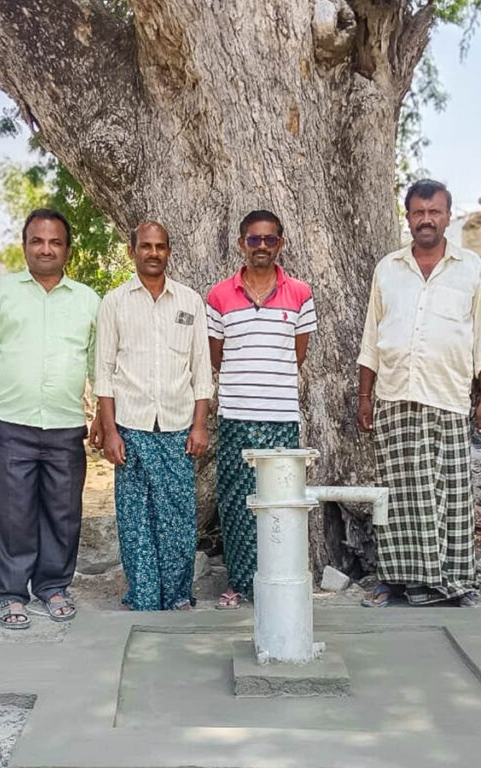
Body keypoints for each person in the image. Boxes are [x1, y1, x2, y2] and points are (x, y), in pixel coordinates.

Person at [357, 179, 481, 607]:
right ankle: (395, 580)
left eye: (434, 211)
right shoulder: (389, 268)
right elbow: (370, 338)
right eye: (418, 212)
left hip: (448, 397)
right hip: (395, 394)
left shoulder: (470, 267)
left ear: (447, 216)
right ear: (408, 216)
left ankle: (452, 581)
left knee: (449, 495)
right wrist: (365, 396)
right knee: (396, 494)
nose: (426, 220)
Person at [0, 209, 101, 628]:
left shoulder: (87, 300)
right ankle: (9, 593)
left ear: (67, 250)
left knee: (63, 513)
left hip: (65, 424)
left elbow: (98, 361)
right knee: (12, 512)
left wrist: (100, 411)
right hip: (10, 422)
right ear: (25, 246)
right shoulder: (0, 292)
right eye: (37, 241)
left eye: (55, 242)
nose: (46, 249)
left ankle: (53, 587)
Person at [94, 221, 212, 611]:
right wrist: (110, 432)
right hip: (131, 428)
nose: (153, 253)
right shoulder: (114, 302)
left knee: (178, 519)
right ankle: (144, 595)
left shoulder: (190, 301)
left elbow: (201, 368)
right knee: (136, 519)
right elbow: (104, 372)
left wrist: (199, 424)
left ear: (169, 251)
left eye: (160, 246)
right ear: (132, 251)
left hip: (178, 427)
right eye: (145, 246)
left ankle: (178, 595)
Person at [205, 210, 317, 609]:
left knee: (279, 504)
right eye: (255, 240)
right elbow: (217, 357)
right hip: (235, 415)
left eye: (270, 239)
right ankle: (239, 582)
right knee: (236, 503)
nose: (263, 247)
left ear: (281, 244)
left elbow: (297, 354)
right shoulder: (219, 296)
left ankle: (277, 581)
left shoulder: (300, 293)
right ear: (242, 244)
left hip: (282, 416)